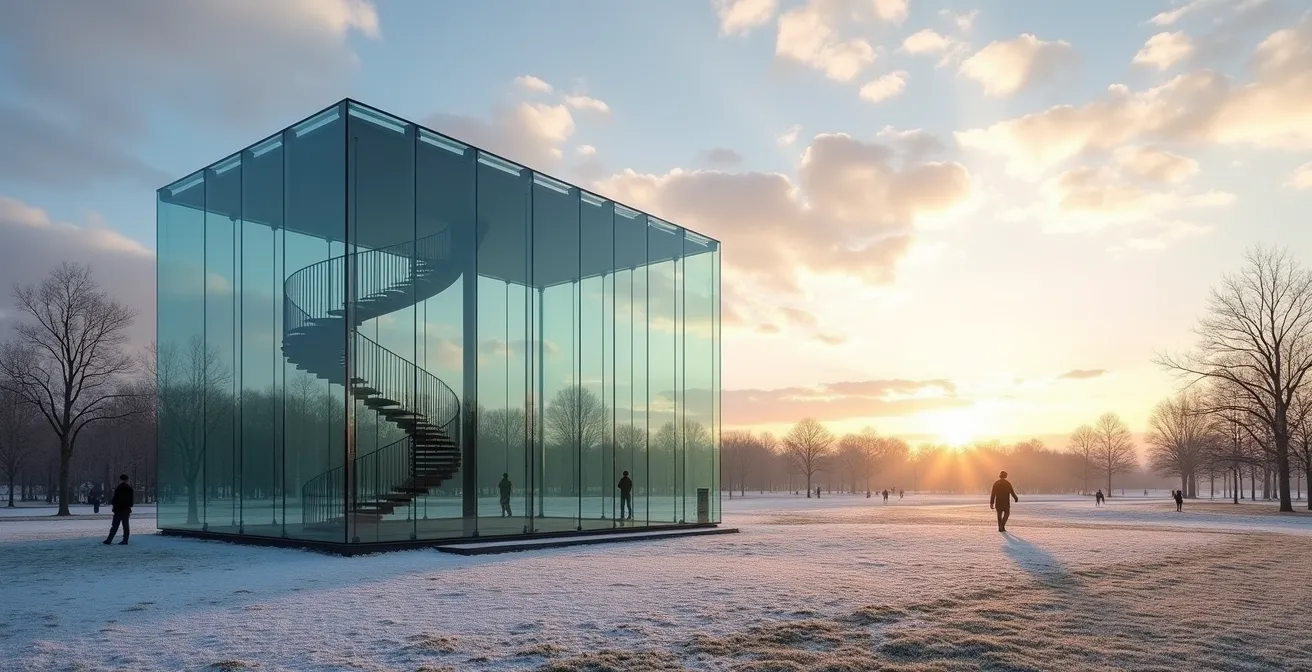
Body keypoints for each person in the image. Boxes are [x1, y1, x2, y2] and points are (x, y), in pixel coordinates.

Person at [103, 474, 133, 545]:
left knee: (115, 525)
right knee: (125, 525)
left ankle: (109, 539)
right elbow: (131, 500)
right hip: (126, 509)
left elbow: (115, 499)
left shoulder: (118, 488)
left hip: (118, 509)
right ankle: (125, 540)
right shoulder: (129, 488)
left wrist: (114, 506)